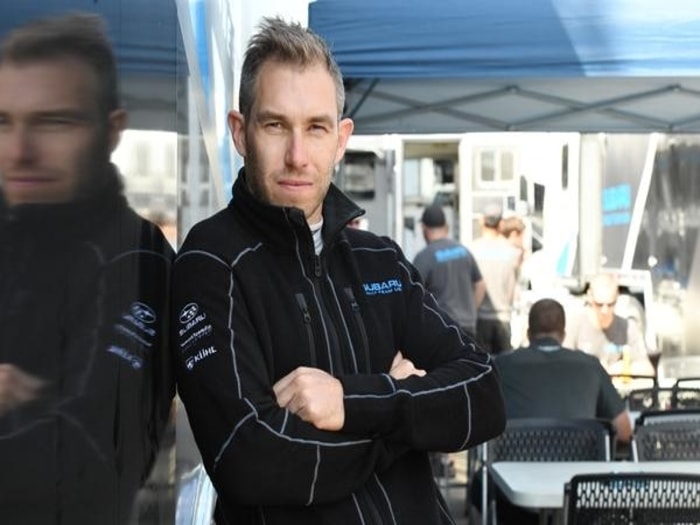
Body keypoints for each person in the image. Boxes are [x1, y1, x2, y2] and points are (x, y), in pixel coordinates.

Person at [172, 17, 505, 525]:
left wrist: (350, 402)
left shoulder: (380, 259)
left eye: (316, 128)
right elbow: (250, 458)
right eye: (275, 125)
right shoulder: (211, 262)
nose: (297, 156)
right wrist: (403, 421)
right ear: (240, 132)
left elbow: (484, 393)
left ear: (341, 138)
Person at [0, 14, 174, 524]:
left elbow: (91, 457)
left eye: (54, 122)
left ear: (111, 130)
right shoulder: (15, 245)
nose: (20, 151)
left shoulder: (136, 255)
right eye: (4, 122)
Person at [475, 298, 632, 524]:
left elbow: (479, 423)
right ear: (563, 333)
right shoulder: (590, 366)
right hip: (579, 496)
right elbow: (624, 430)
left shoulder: (500, 366)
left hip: (512, 497)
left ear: (529, 333)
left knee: (478, 485)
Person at [413, 203, 486, 338]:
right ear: (446, 227)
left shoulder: (424, 257)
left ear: (424, 228)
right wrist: (471, 311)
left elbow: (413, 295)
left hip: (443, 329)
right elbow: (480, 285)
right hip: (468, 327)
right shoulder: (463, 251)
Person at [564, 273, 655, 376]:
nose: (605, 310)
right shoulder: (574, 324)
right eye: (599, 304)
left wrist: (621, 369)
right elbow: (564, 364)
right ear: (590, 297)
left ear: (617, 297)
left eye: (611, 304)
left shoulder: (628, 327)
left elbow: (647, 369)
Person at [471, 204, 520, 354]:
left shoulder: (472, 250)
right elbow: (515, 287)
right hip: (504, 316)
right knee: (504, 364)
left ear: (482, 221)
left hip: (480, 317)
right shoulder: (513, 252)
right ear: (501, 224)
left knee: (483, 364)